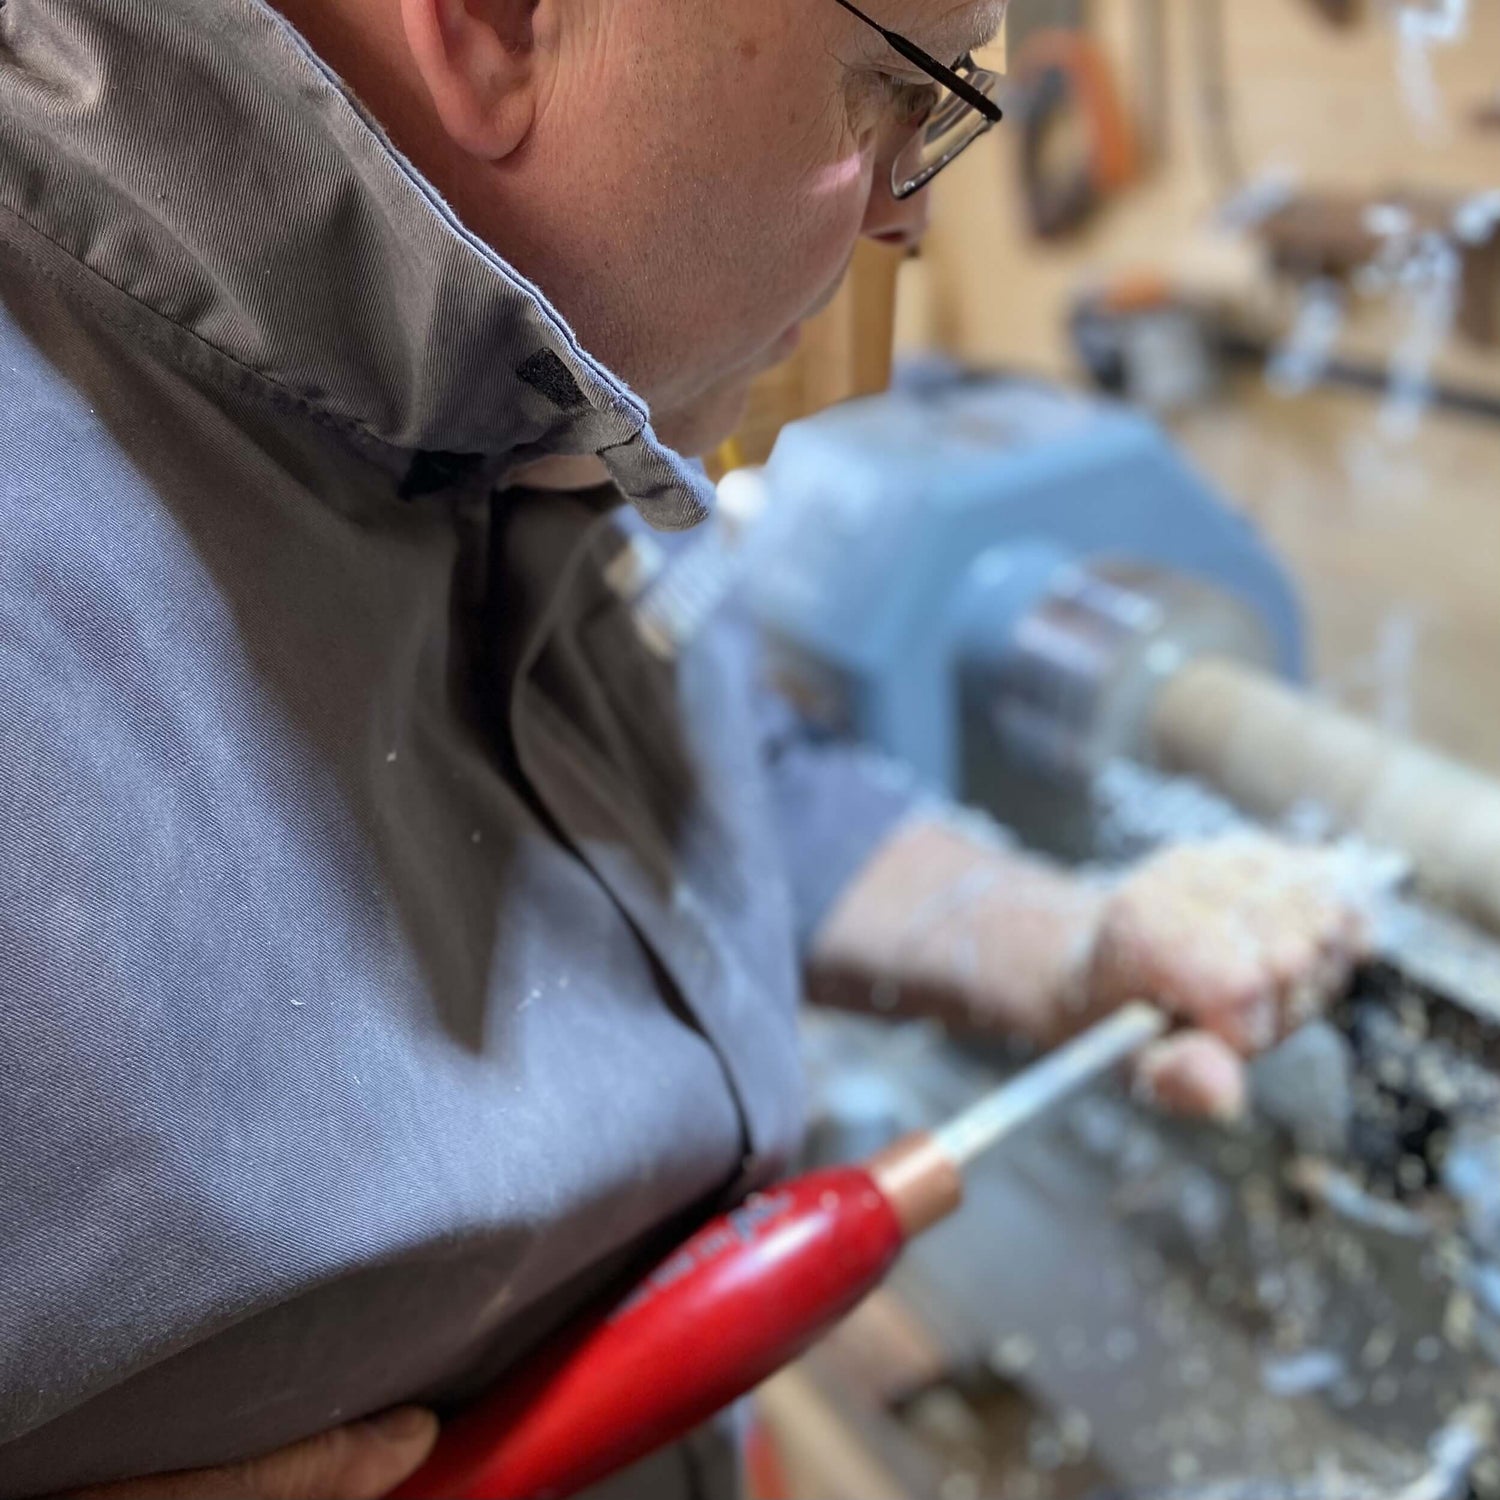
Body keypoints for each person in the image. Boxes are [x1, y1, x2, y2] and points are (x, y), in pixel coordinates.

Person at [0, 0, 1368, 1495]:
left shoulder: (528, 382)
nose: (906, 220)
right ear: (498, 23)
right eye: (886, 97)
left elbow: (701, 782)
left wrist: (1063, 941)